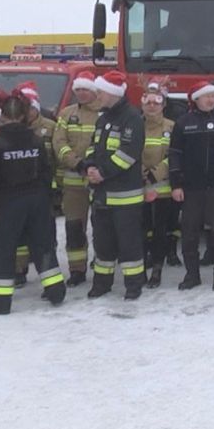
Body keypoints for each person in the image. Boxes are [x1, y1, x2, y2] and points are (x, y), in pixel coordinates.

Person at [0, 91, 66, 314]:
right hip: (38, 201)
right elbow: (46, 172)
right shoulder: (36, 141)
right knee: (43, 246)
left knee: (3, 250)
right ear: (23, 116)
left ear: (1, 116)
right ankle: (56, 290)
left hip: (9, 204)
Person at [168, 81, 214, 291]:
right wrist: (176, 185)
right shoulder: (183, 123)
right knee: (190, 233)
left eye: (213, 96)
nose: (211, 99)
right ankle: (192, 275)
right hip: (191, 188)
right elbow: (174, 156)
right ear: (196, 99)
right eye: (207, 96)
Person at [80, 71, 146, 300]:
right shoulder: (103, 118)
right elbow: (93, 147)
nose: (97, 95)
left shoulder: (132, 118)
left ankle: (134, 285)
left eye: (101, 92)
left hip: (125, 196)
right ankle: (102, 283)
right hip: (102, 195)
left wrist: (103, 173)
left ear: (113, 93)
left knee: (129, 244)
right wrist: (88, 166)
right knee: (103, 243)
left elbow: (128, 154)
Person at [51, 72, 101, 286]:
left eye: (85, 89)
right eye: (78, 89)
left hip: (99, 180)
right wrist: (77, 162)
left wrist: (92, 165)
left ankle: (102, 264)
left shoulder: (105, 113)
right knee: (74, 227)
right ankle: (77, 270)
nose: (81, 93)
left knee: (101, 226)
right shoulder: (67, 113)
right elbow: (58, 142)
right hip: (72, 182)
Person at [10, 82, 57, 287]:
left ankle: (48, 275)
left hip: (43, 189)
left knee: (45, 234)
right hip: (17, 191)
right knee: (19, 233)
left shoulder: (51, 127)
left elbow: (55, 158)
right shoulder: (11, 130)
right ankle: (19, 270)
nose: (26, 112)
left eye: (29, 108)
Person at [140, 85, 176, 289]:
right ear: (142, 105)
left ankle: (157, 269)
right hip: (139, 187)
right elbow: (129, 150)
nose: (152, 106)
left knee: (160, 231)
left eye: (156, 102)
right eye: (148, 103)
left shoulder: (171, 126)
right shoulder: (135, 125)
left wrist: (156, 172)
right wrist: (142, 173)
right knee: (142, 230)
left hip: (163, 189)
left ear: (163, 105)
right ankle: (143, 266)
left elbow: (176, 154)